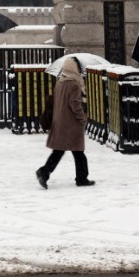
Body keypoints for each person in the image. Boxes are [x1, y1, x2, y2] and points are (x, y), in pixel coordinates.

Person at [35, 56, 95, 188]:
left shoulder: (60, 82)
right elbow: (75, 105)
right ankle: (81, 178)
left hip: (61, 122)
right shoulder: (73, 84)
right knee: (79, 153)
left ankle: (44, 172)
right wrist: (83, 118)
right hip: (71, 124)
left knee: (58, 152)